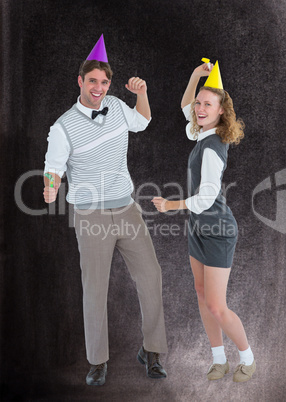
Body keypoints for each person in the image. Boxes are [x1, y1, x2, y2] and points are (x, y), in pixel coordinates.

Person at [43, 35, 168, 386]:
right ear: (80, 81)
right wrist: (51, 186)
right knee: (95, 288)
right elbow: (54, 165)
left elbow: (141, 121)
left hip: (127, 209)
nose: (99, 87)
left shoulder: (115, 105)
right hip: (91, 216)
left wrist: (140, 92)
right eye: (92, 81)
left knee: (151, 276)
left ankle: (153, 352)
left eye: (104, 81)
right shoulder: (63, 125)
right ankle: (97, 362)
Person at [152, 61, 256, 382]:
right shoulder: (201, 132)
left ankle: (248, 359)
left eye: (206, 104)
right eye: (200, 102)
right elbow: (185, 106)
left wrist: (171, 204)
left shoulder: (212, 147)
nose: (198, 108)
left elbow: (207, 198)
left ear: (221, 111)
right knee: (200, 292)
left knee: (216, 306)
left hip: (218, 230)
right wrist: (197, 78)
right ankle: (218, 359)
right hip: (199, 227)